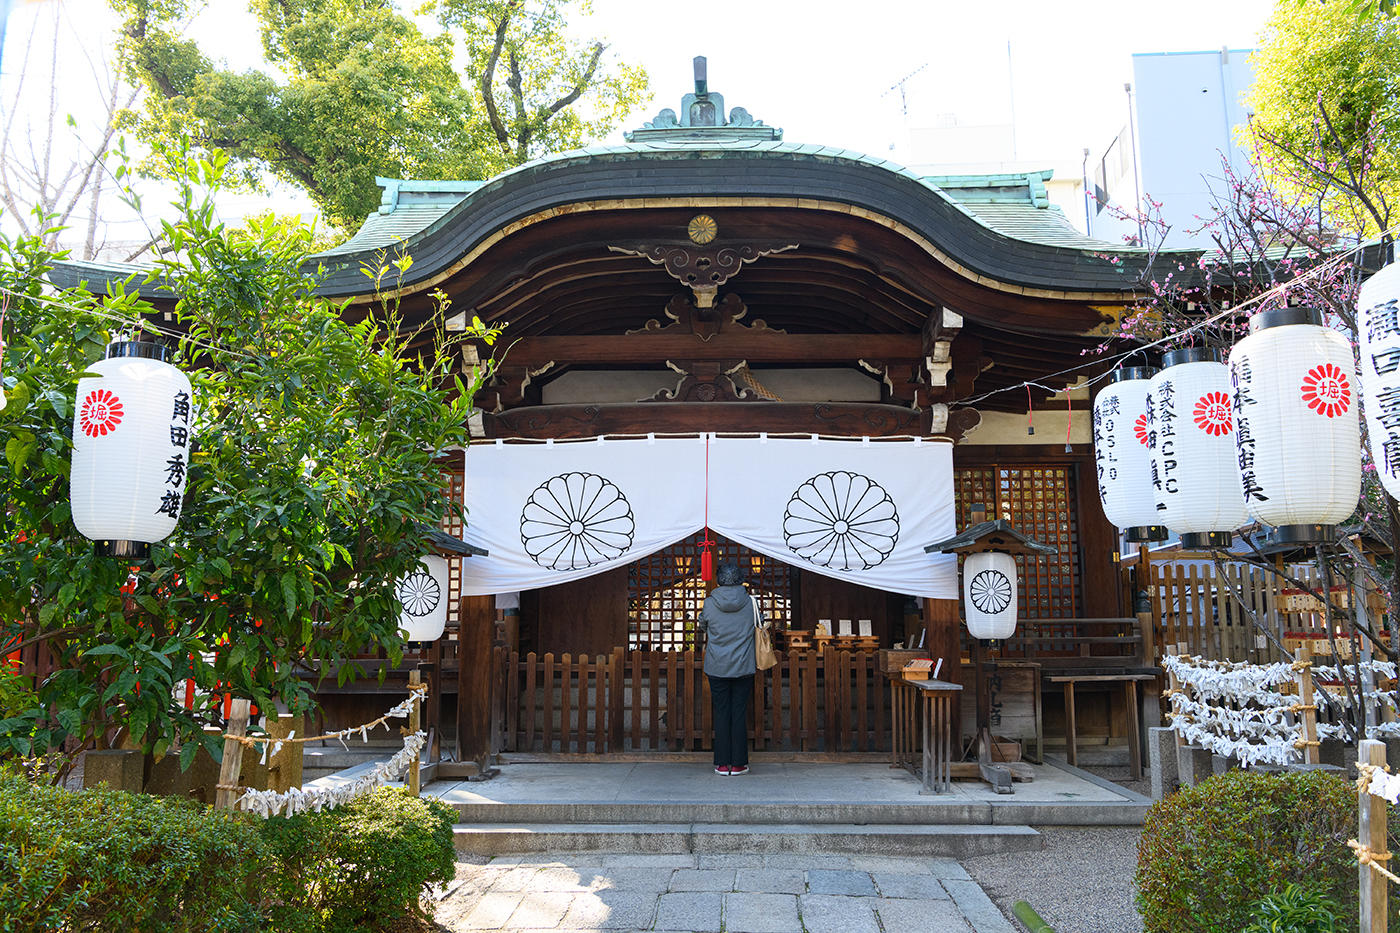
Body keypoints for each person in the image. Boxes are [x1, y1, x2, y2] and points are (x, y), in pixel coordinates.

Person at [697, 562, 768, 775]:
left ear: (719, 580)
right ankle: (738, 764)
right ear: (740, 579)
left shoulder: (710, 603)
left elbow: (703, 625)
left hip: (717, 665)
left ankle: (721, 764)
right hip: (743, 666)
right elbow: (760, 624)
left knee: (721, 712)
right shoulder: (751, 603)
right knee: (738, 713)